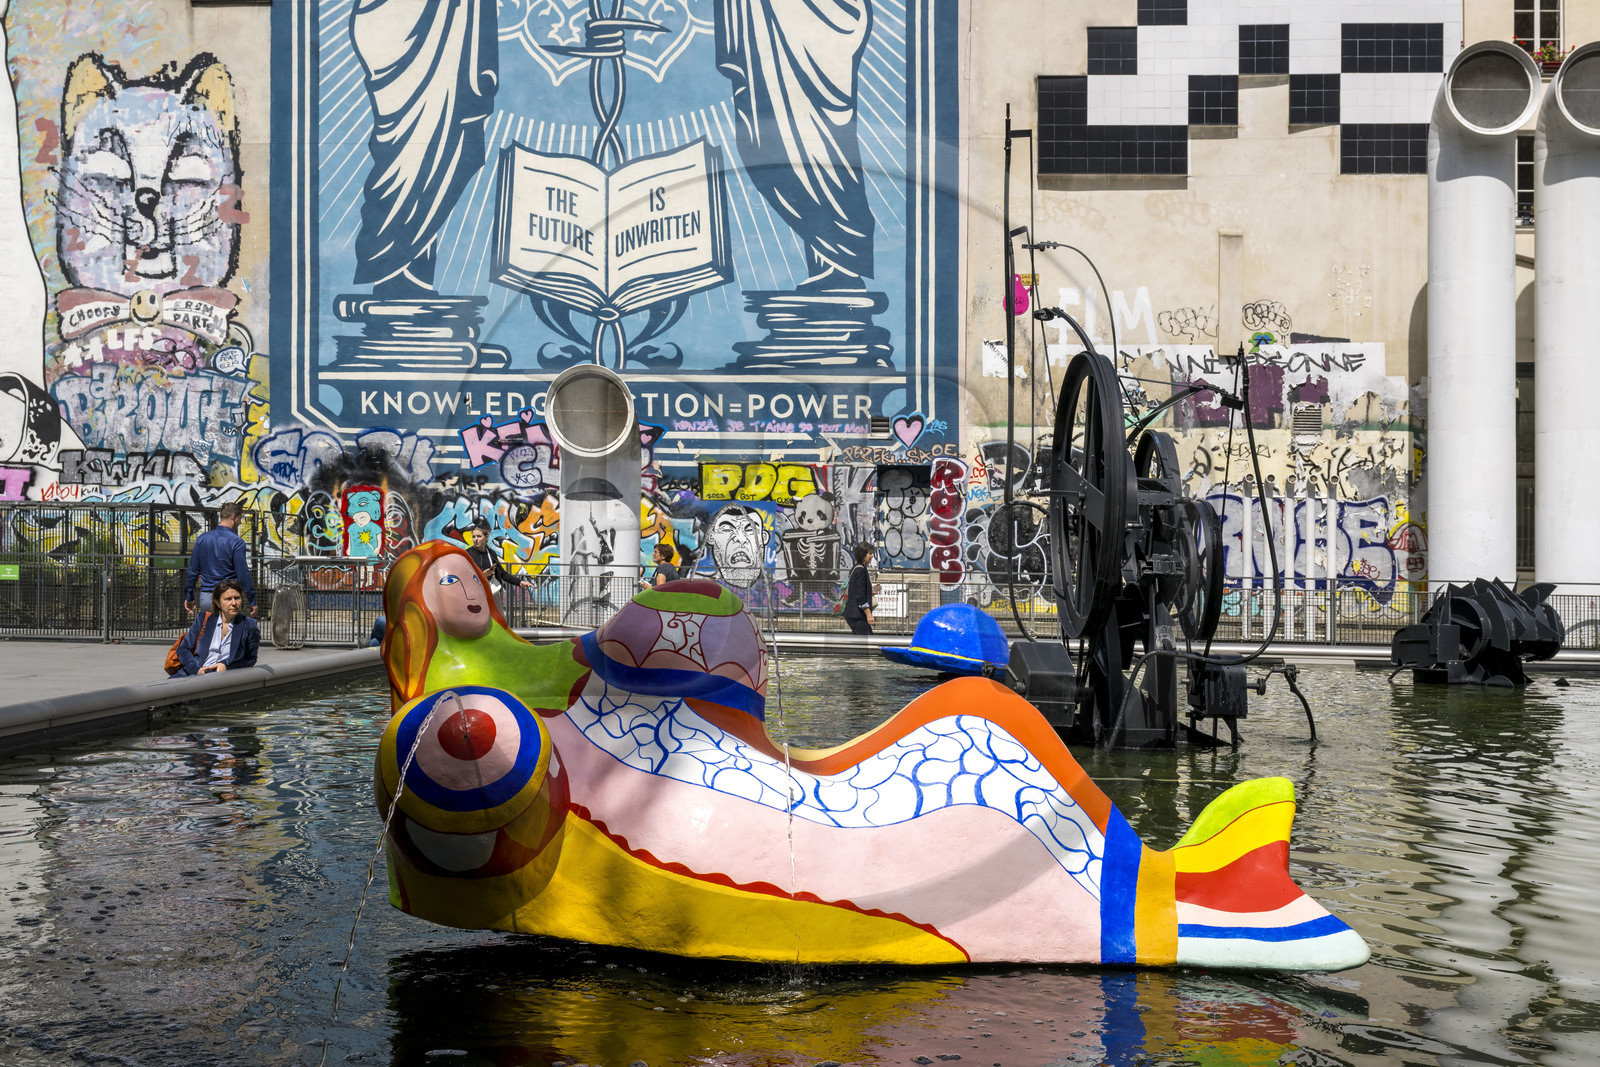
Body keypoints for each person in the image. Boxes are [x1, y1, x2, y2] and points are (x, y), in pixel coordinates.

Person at [173, 579, 259, 676]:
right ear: (218, 603)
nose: (234, 603)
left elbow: (251, 658)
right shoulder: (203, 619)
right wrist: (196, 670)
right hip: (195, 673)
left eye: (237, 598)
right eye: (228, 599)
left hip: (223, 677)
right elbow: (184, 648)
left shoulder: (249, 625)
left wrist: (226, 666)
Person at [184, 501, 256, 616]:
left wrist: (189, 596)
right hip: (228, 595)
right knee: (230, 632)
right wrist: (252, 599)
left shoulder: (202, 539)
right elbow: (243, 574)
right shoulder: (237, 542)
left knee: (210, 631)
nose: (240, 522)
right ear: (233, 517)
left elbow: (193, 570)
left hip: (207, 596)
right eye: (240, 518)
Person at [464, 517, 530, 603]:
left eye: (479, 536)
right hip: (475, 595)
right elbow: (464, 576)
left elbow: (503, 574)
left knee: (496, 616)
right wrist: (483, 575)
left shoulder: (491, 554)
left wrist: (520, 582)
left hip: (492, 593)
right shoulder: (468, 554)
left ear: (486, 537)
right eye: (474, 537)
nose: (476, 539)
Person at [841, 542, 877, 635]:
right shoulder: (861, 570)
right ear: (863, 555)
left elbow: (857, 590)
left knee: (860, 643)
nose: (872, 556)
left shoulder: (856, 568)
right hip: (857, 615)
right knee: (867, 642)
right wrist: (869, 615)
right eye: (870, 553)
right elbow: (860, 596)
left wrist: (869, 592)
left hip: (853, 614)